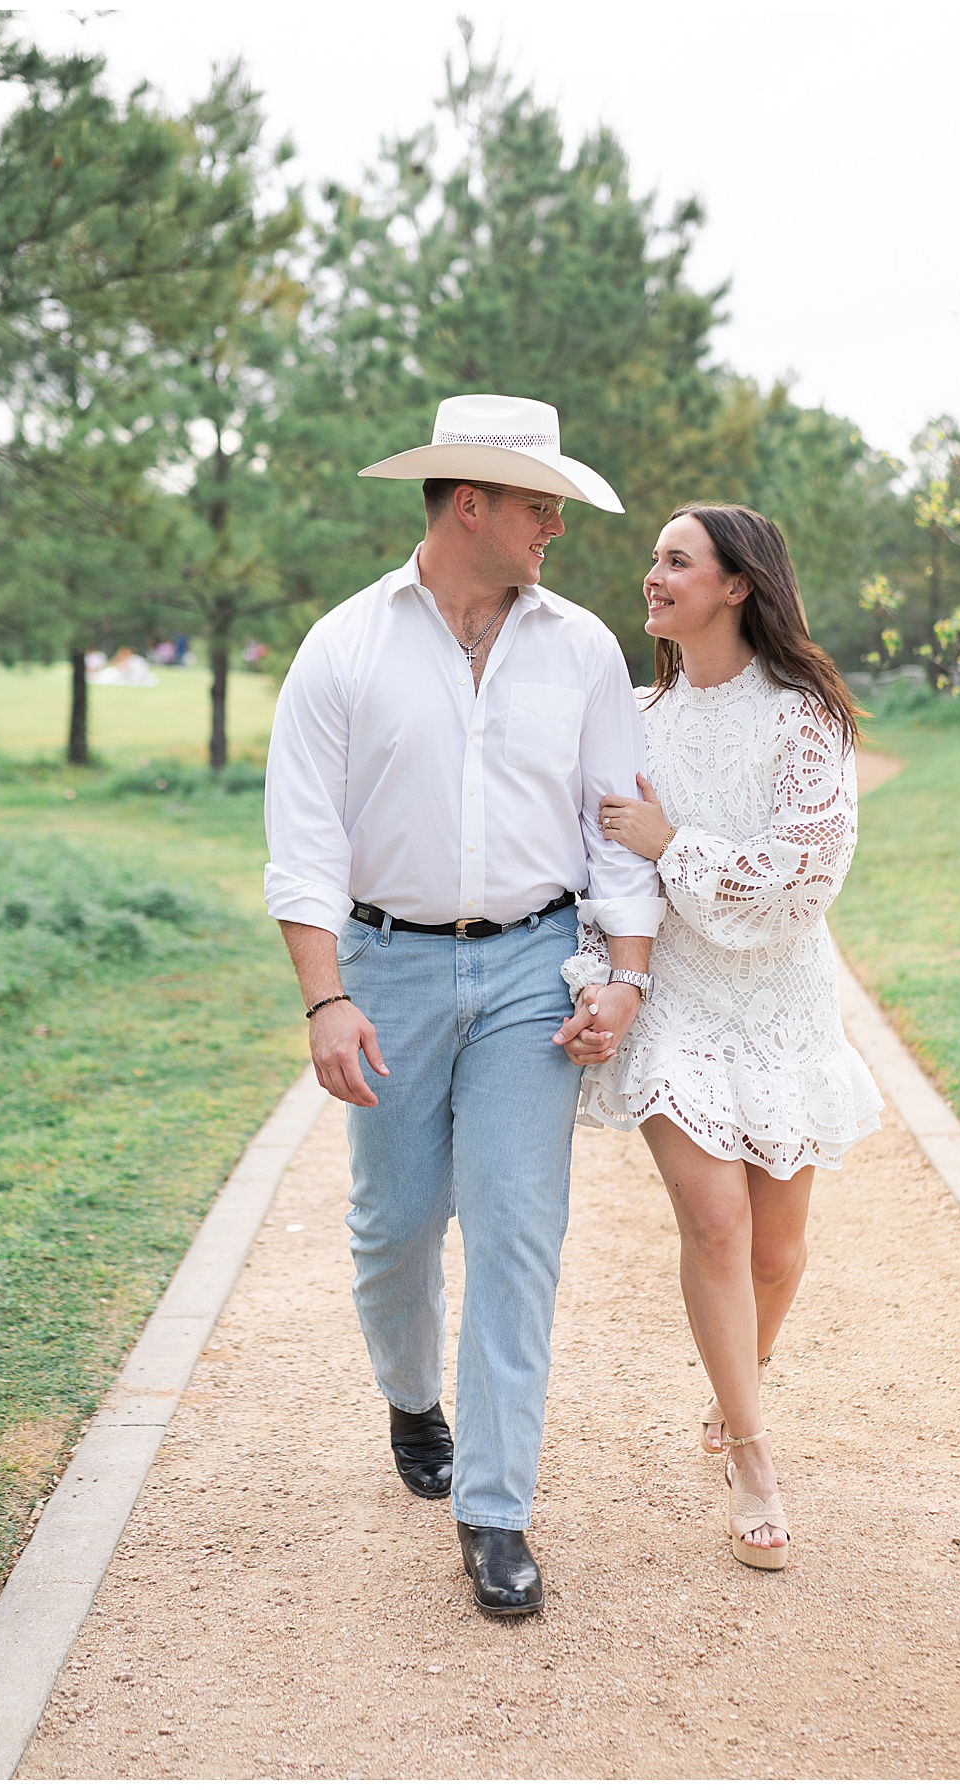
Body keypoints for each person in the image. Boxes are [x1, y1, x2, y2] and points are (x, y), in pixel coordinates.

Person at [264, 393, 664, 1616]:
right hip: (385, 966)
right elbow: (304, 841)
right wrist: (325, 997)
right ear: (469, 502)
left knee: (514, 1228)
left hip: (532, 972)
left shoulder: (585, 648)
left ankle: (497, 1508)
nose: (558, 522)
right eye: (540, 502)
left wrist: (629, 975)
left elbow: (616, 828)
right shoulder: (343, 646)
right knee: (393, 1227)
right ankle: (409, 1393)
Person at [555, 503, 883, 1571]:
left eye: (676, 559)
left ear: (736, 584)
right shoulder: (634, 722)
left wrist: (672, 840)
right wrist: (607, 980)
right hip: (680, 1005)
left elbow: (802, 878)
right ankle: (753, 1458)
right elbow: (599, 874)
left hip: (784, 1005)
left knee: (780, 1251)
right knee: (717, 1227)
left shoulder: (805, 718)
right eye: (654, 558)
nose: (652, 575)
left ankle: (736, 1374)